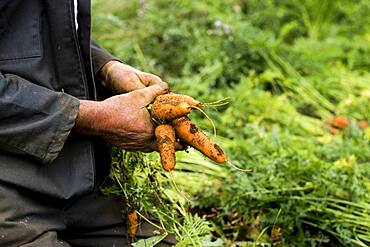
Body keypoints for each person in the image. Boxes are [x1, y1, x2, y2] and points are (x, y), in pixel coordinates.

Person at [0, 1, 172, 246]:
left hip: (71, 180)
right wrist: (97, 117)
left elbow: (42, 30)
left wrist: (106, 67)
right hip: (8, 191)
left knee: (162, 239)